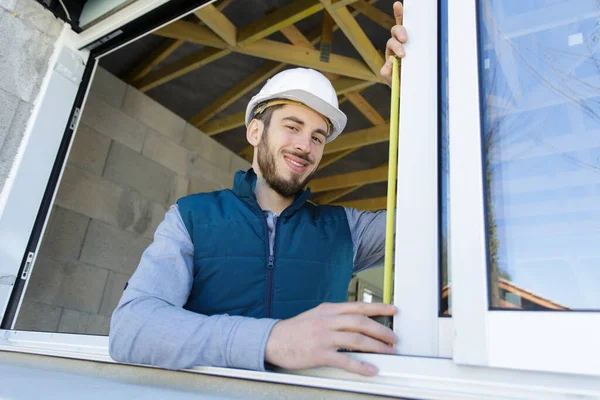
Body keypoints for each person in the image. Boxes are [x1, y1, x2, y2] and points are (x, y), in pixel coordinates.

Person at [109, 2, 408, 377]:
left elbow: (440, 219)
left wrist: (414, 97)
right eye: (292, 126)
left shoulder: (348, 231)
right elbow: (131, 329)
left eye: (318, 136)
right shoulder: (191, 217)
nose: (305, 145)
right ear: (255, 132)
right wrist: (271, 340)